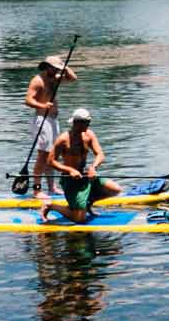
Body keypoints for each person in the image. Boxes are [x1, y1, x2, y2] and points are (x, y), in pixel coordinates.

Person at [39, 109, 122, 224]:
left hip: (86, 176)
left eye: (89, 122)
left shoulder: (89, 135)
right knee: (79, 219)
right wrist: (70, 170)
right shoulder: (63, 139)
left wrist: (93, 167)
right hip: (70, 180)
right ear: (77, 123)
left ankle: (86, 204)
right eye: (86, 122)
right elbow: (50, 161)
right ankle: (50, 205)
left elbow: (100, 154)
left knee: (115, 189)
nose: (89, 125)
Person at [24, 54, 77, 199]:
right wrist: (43, 105)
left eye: (57, 69)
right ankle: (36, 190)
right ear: (47, 67)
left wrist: (65, 67)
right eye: (54, 68)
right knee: (42, 155)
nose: (56, 71)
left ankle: (52, 187)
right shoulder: (37, 81)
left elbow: (73, 78)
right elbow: (28, 100)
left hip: (53, 120)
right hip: (42, 120)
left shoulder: (54, 78)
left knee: (52, 155)